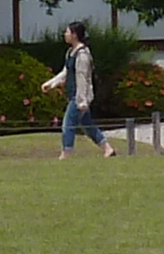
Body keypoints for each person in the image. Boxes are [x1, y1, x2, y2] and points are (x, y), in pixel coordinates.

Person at [42, 21, 114, 159]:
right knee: (87, 125)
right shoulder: (70, 52)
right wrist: (51, 84)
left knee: (68, 124)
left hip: (79, 96)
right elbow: (66, 72)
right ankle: (108, 148)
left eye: (67, 32)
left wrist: (82, 101)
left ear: (74, 35)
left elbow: (82, 78)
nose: (65, 34)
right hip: (73, 94)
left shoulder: (82, 55)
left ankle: (66, 153)